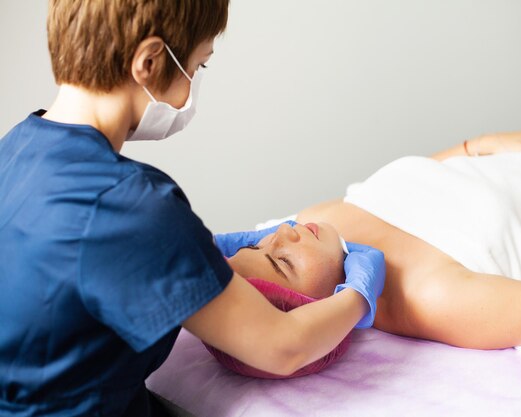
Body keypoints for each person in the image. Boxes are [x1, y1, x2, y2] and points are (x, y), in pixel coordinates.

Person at [0, 1, 385, 416]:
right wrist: (361, 293)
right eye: (198, 66)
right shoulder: (132, 204)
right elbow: (283, 347)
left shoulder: (15, 148)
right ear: (149, 61)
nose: (191, 86)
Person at [224, 129, 521, 350]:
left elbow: (406, 185)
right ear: (315, 313)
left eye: (257, 245)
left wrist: (479, 147)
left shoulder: (322, 224)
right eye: (282, 262)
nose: (282, 233)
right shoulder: (433, 298)